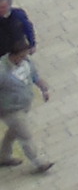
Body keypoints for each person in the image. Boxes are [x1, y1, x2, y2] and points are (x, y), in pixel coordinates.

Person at [0, 43, 51, 175]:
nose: (25, 58)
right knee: (25, 135)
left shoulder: (26, 62)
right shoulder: (1, 70)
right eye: (22, 56)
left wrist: (43, 87)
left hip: (23, 104)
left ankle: (3, 156)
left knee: (13, 133)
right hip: (9, 109)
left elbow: (33, 76)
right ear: (14, 55)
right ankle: (38, 162)